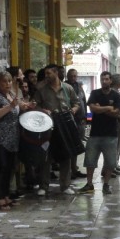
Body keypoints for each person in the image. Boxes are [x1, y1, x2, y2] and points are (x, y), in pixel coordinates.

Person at [33, 64, 79, 196]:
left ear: (56, 73)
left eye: (49, 73)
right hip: (48, 126)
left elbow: (76, 103)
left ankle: (65, 186)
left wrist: (74, 110)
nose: (46, 76)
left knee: (66, 155)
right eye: (46, 74)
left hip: (64, 125)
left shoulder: (68, 88)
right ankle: (44, 185)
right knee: (46, 156)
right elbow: (35, 105)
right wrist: (43, 110)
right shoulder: (42, 89)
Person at [78, 71, 120, 196]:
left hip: (111, 134)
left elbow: (116, 113)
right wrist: (108, 108)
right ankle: (89, 184)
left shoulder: (116, 95)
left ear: (111, 81)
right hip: (95, 134)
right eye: (102, 79)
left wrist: (100, 109)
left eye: (107, 79)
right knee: (90, 161)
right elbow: (92, 109)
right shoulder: (95, 93)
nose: (104, 81)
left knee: (110, 162)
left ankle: (106, 184)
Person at [0, 71, 21, 210]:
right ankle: (0, 198)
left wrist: (27, 105)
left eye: (9, 81)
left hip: (12, 137)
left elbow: (19, 105)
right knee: (2, 166)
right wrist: (10, 106)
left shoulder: (11, 94)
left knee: (10, 167)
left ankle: (6, 195)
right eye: (4, 82)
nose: (7, 84)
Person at [66, 68, 87, 180]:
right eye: (71, 76)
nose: (73, 78)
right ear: (68, 76)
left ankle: (74, 168)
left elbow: (84, 101)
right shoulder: (65, 86)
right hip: (70, 119)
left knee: (78, 144)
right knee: (71, 144)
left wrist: (85, 117)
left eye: (75, 76)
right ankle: (70, 169)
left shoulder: (79, 86)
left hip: (80, 119)